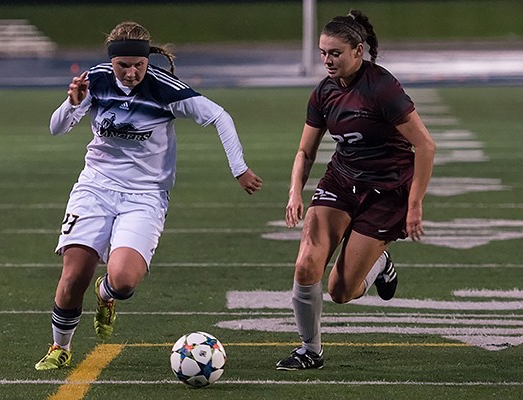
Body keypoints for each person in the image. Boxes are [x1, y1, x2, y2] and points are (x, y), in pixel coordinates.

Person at [35, 21, 263, 370]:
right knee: (73, 275)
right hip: (95, 188)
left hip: (145, 195)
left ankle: (106, 294)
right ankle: (59, 347)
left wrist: (239, 167)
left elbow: (219, 116)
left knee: (123, 281)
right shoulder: (94, 80)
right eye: (122, 65)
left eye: (137, 65)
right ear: (111, 62)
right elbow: (57, 128)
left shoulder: (164, 89)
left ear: (147, 61)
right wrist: (71, 104)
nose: (130, 73)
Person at [275, 9, 435, 370]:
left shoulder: (382, 87)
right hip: (341, 181)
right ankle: (309, 351)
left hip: (387, 190)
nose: (327, 60)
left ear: (357, 52)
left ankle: (381, 264)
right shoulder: (323, 93)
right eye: (322, 53)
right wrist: (293, 192)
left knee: (340, 292)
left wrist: (414, 205)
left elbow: (425, 146)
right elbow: (305, 150)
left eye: (335, 53)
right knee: (305, 266)